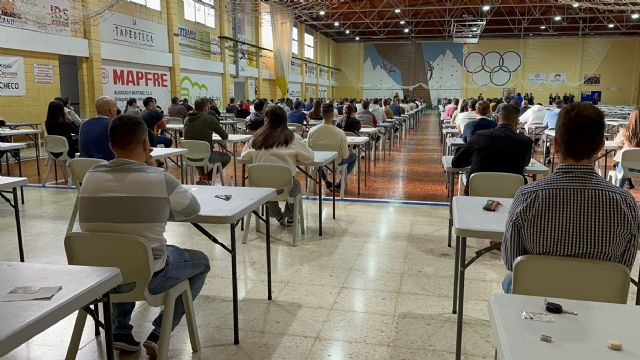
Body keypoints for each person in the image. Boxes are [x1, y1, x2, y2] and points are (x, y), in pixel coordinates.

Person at [78, 114, 209, 357]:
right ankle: (160, 333)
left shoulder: (90, 176)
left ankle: (121, 332)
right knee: (201, 262)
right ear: (146, 145)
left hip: (99, 277)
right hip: (147, 275)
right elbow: (192, 210)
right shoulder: (160, 179)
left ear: (110, 146)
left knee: (120, 250)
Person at [500, 103, 640, 293]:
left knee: (510, 280)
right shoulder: (626, 203)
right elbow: (624, 267)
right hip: (599, 298)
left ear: (555, 145)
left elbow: (511, 261)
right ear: (600, 146)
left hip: (537, 295)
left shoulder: (527, 196)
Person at [240, 105, 314, 225]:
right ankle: (291, 216)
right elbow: (310, 157)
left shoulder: (256, 138)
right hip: (285, 188)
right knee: (295, 185)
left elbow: (244, 156)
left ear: (266, 120)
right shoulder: (293, 138)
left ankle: (275, 213)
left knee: (267, 184)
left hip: (260, 188)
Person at [452, 104, 533, 194]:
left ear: (497, 119)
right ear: (517, 122)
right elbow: (525, 163)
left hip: (477, 193)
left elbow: (456, 162)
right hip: (512, 196)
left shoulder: (479, 136)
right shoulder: (526, 142)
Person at [307, 103, 357, 191]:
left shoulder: (312, 131)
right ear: (333, 114)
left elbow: (309, 151)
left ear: (321, 114)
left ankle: (326, 181)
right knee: (353, 157)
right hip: (336, 161)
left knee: (316, 160)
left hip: (319, 160)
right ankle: (341, 182)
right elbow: (345, 155)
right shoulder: (340, 133)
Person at [184, 98, 231, 185]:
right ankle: (207, 178)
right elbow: (224, 136)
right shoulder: (209, 118)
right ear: (206, 107)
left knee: (198, 152)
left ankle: (203, 177)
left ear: (195, 107)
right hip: (206, 156)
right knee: (227, 157)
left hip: (189, 156)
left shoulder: (187, 119)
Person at [79, 96, 117, 161]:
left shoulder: (84, 124)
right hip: (106, 167)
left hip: (85, 166)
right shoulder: (113, 124)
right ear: (110, 111)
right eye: (116, 109)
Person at [613, 107, 640, 188]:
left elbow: (617, 142)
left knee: (622, 160)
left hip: (625, 168)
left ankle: (620, 187)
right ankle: (629, 182)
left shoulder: (624, 132)